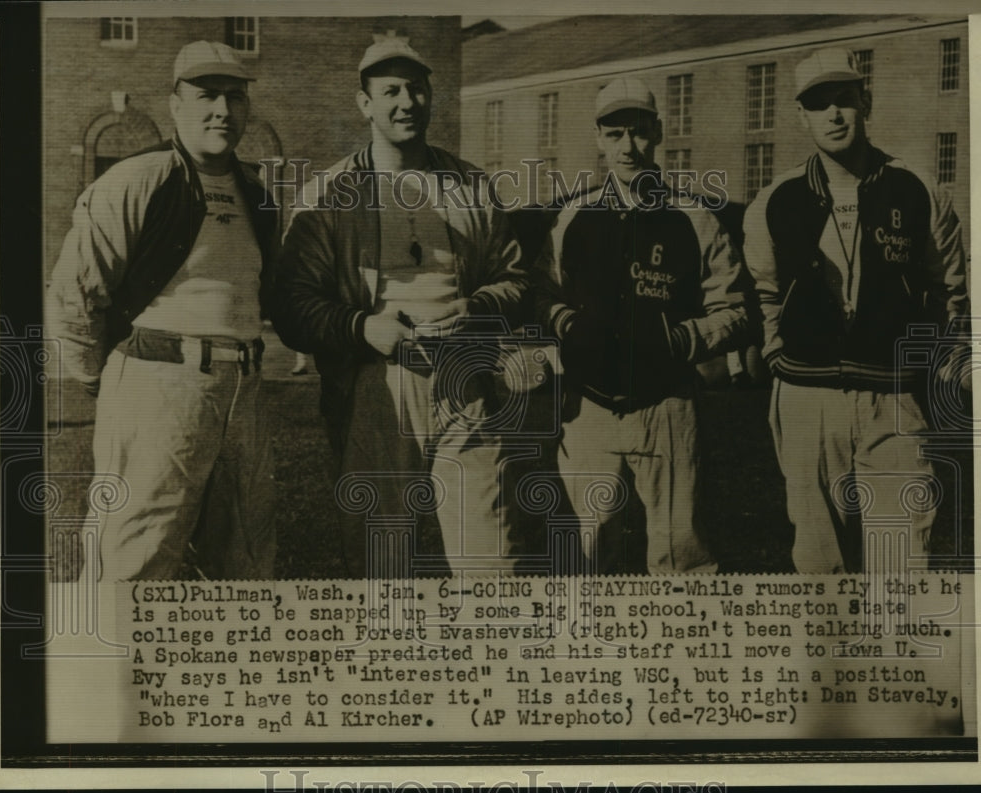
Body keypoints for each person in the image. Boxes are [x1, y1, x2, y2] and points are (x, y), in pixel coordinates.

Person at [274, 32, 527, 577]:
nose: (406, 103)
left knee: (493, 562)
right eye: (390, 91)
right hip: (377, 386)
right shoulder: (329, 194)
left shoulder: (469, 184)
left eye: (416, 89)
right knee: (384, 567)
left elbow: (514, 277)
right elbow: (291, 303)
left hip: (468, 378)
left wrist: (477, 308)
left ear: (431, 97)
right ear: (363, 103)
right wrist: (360, 325)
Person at [48, 41, 279, 580]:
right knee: (137, 554)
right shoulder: (139, 178)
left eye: (235, 97)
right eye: (206, 95)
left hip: (244, 387)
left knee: (246, 559)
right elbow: (74, 294)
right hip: (158, 380)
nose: (222, 110)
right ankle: (109, 667)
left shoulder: (257, 192)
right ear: (176, 104)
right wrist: (99, 382)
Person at [744, 48, 969, 573]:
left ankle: (900, 653)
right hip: (806, 396)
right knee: (820, 556)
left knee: (904, 553)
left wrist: (932, 367)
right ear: (801, 116)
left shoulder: (916, 189)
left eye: (844, 100)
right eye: (818, 104)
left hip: (893, 397)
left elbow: (949, 294)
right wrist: (778, 353)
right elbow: (766, 293)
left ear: (865, 102)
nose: (834, 115)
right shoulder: (776, 200)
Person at [537, 76, 748, 573]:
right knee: (588, 548)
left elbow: (736, 309)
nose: (627, 147)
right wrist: (566, 324)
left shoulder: (694, 217)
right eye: (614, 134)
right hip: (587, 406)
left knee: (681, 550)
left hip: (668, 402)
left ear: (657, 132)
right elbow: (540, 294)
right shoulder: (574, 216)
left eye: (638, 132)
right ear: (598, 139)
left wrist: (684, 338)